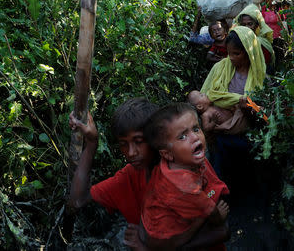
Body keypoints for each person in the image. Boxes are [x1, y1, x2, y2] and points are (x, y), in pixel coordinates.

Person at [67, 98, 159, 248]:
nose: (131, 152)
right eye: (123, 144)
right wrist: (91, 143)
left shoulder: (176, 171)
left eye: (138, 141)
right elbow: (77, 201)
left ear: (155, 137)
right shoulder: (129, 176)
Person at [140, 103, 230, 250]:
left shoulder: (178, 159)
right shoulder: (185, 187)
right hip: (166, 236)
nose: (195, 137)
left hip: (156, 217)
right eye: (182, 136)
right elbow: (210, 211)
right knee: (220, 230)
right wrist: (219, 216)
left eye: (196, 129)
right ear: (167, 154)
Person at [200, 26, 267, 180]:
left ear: (250, 52)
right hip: (218, 134)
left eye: (236, 53)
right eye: (229, 53)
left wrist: (247, 109)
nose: (231, 58)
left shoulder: (260, 77)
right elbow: (205, 97)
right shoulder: (220, 67)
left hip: (246, 136)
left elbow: (263, 117)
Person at [233, 4, 275, 72]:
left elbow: (265, 63)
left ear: (256, 25)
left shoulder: (262, 43)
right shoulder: (236, 41)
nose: (246, 27)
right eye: (243, 24)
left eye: (250, 24)